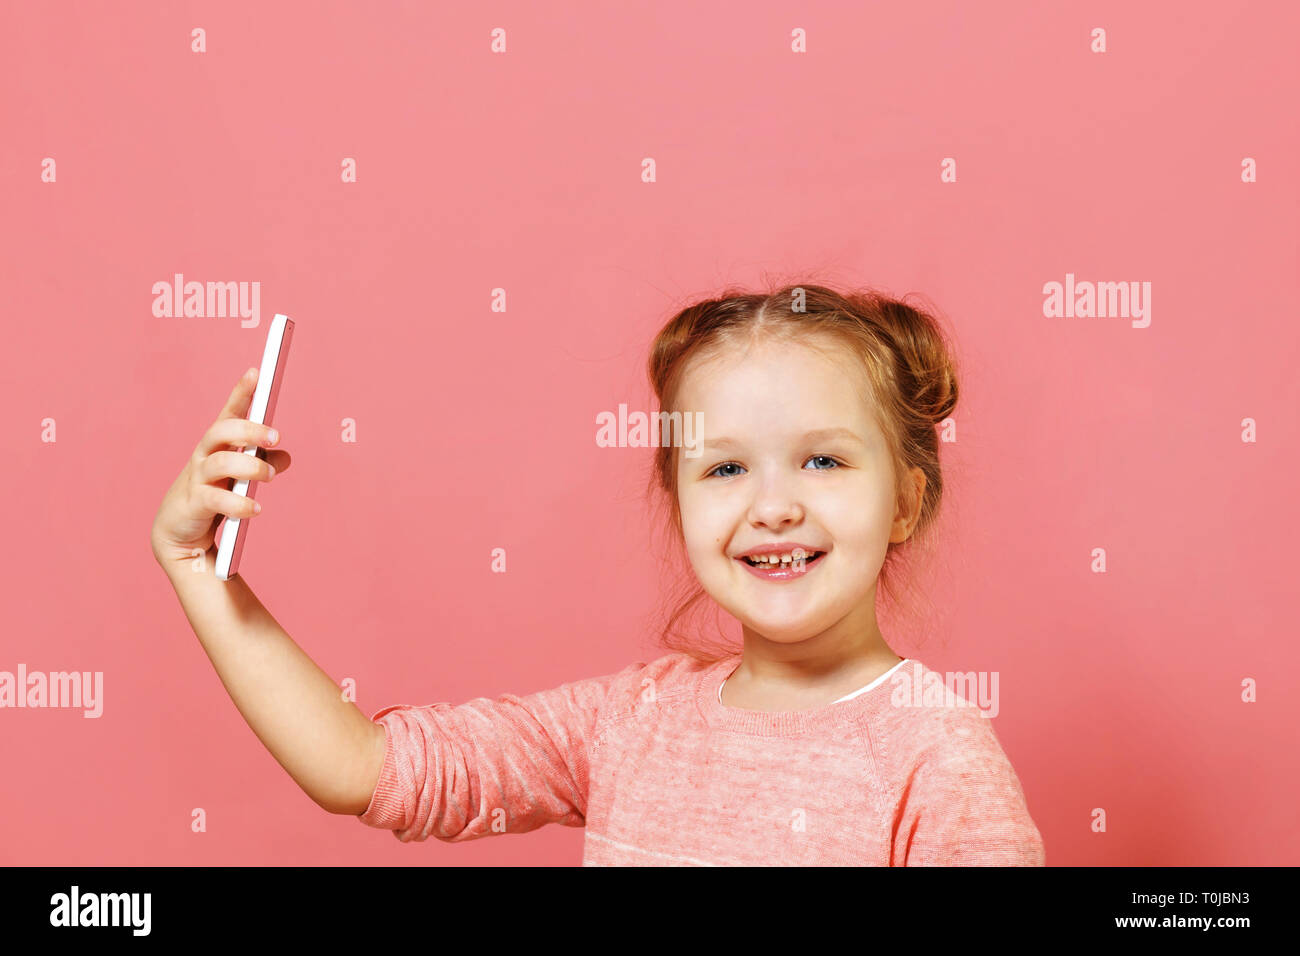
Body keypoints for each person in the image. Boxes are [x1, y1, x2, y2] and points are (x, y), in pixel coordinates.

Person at [151, 282, 1045, 866]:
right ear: (680, 500)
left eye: (823, 462)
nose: (773, 506)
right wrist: (196, 567)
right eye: (726, 469)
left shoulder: (936, 755)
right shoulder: (631, 722)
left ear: (906, 502)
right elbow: (368, 770)